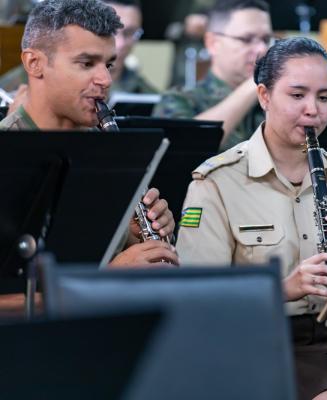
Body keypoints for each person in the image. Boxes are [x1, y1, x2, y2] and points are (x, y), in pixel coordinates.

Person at [176, 37, 327, 400]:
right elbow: (197, 301)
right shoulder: (217, 182)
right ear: (264, 96)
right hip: (257, 342)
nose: (313, 110)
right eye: (297, 96)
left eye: (324, 97)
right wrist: (285, 288)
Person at [0, 0, 178, 267]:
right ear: (34, 62)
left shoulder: (109, 152)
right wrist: (107, 278)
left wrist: (131, 238)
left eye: (108, 65)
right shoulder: (7, 152)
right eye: (86, 63)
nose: (105, 80)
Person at [153, 0, 272, 150]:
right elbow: (186, 148)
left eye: (266, 40)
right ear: (212, 43)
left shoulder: (273, 99)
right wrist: (252, 85)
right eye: (246, 39)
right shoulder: (178, 100)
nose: (261, 49)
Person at [0, 0, 157, 114]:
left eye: (130, 33)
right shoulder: (12, 84)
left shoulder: (147, 92)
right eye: (87, 64)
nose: (121, 43)